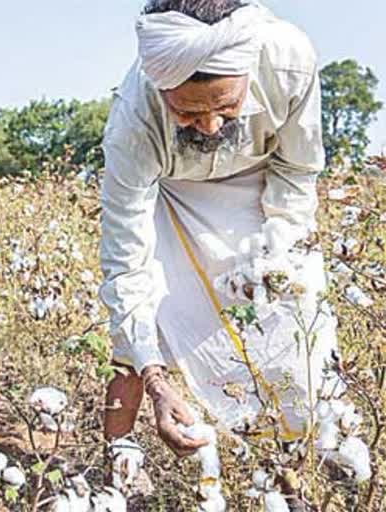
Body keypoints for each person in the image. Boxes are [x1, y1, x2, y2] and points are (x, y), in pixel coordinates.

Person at [100, 0, 337, 471]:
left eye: (226, 107)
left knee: (292, 315)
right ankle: (119, 453)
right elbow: (125, 261)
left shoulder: (289, 60)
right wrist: (157, 380)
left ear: (248, 73)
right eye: (187, 114)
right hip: (169, 195)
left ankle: (292, 459)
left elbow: (298, 168)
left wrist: (275, 252)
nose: (209, 127)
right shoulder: (134, 121)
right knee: (135, 337)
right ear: (162, 88)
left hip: (260, 186)